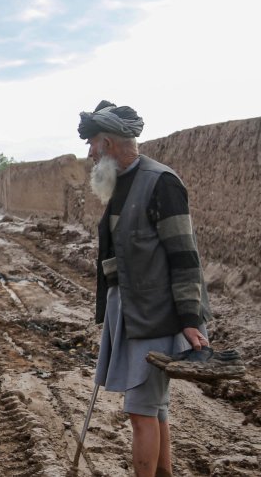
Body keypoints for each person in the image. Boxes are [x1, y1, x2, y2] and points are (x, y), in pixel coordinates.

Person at [79, 101, 212, 477]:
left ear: (107, 143)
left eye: (91, 144)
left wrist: (189, 319)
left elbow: (185, 256)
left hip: (156, 316)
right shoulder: (123, 184)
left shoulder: (161, 182)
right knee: (155, 408)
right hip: (130, 312)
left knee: (140, 411)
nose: (88, 154)